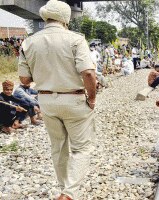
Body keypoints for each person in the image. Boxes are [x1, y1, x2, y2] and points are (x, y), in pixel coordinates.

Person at [18, 1, 97, 199]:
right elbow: (88, 73)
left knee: (58, 147)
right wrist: (92, 98)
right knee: (82, 148)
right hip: (74, 98)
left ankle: (64, 189)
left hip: (46, 100)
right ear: (65, 19)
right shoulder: (76, 40)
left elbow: (24, 79)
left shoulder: (29, 42)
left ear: (46, 17)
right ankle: (69, 193)